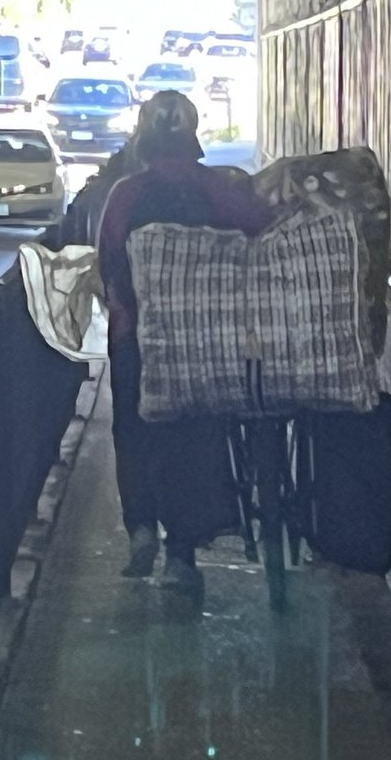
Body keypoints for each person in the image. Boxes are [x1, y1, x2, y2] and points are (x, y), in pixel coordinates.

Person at [95, 91, 272, 591]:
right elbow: (261, 230)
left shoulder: (125, 194)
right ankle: (181, 554)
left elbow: (108, 256)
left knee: (132, 430)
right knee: (195, 437)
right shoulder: (215, 188)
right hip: (202, 344)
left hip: (135, 338)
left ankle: (141, 528)